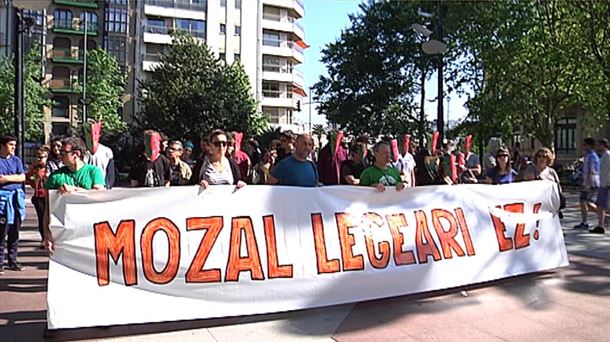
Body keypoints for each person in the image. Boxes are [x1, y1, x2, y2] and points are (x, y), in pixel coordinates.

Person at [43, 137, 106, 252]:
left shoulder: (93, 171)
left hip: (89, 229)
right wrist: (47, 235)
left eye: (64, 152)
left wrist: (75, 190)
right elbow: (48, 209)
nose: (59, 155)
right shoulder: (55, 176)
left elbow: (99, 194)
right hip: (65, 231)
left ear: (76, 154)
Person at [0, 135, 26, 274]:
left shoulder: (17, 160)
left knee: (14, 233)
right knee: (1, 232)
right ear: (3, 146)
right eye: (10, 144)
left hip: (16, 201)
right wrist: (14, 178)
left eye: (14, 145)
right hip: (2, 202)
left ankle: (12, 261)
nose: (13, 147)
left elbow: (22, 177)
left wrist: (7, 178)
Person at [574, 137, 600, 230]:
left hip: (590, 183)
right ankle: (601, 215)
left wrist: (587, 184)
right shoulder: (591, 156)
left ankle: (585, 222)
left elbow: (592, 171)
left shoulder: (591, 156)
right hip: (590, 182)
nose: (583, 146)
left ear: (590, 145)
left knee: (584, 202)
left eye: (585, 144)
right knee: (586, 202)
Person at [26, 146, 49, 244]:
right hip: (39, 196)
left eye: (42, 157)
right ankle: (44, 238)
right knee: (42, 217)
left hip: (49, 195)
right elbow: (27, 178)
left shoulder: (50, 168)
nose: (39, 159)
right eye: (38, 157)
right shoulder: (36, 169)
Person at [591, 139, 609, 234]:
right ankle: (601, 224)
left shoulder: (607, 156)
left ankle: (601, 225)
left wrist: (605, 182)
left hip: (605, 184)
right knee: (601, 205)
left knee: (601, 205)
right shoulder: (603, 156)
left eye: (599, 145)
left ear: (603, 145)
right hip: (603, 183)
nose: (597, 147)